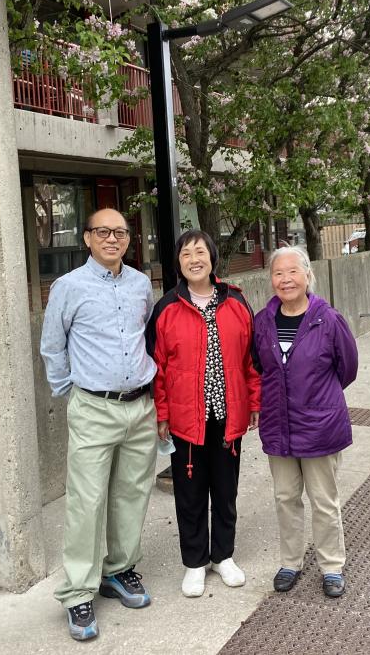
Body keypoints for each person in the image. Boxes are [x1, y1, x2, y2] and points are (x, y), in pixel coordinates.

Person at [40, 207, 158, 642]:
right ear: (87, 238)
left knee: (131, 493)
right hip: (93, 407)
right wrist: (71, 392)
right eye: (103, 231)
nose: (113, 238)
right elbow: (53, 347)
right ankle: (77, 592)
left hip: (140, 407)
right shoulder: (68, 287)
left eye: (121, 232)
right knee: (87, 502)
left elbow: (145, 335)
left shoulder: (140, 284)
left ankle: (119, 569)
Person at [146, 230, 261, 598]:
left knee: (225, 490)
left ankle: (223, 556)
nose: (194, 259)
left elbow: (251, 362)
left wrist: (254, 403)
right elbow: (157, 368)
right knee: (190, 493)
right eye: (186, 254)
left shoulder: (237, 303)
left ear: (212, 258)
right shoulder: (166, 308)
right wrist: (161, 414)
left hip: (228, 414)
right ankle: (194, 563)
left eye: (200, 252)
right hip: (185, 418)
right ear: (178, 263)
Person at [252, 246, 358, 598]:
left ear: (307, 275)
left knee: (324, 500)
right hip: (278, 424)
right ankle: (290, 562)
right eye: (278, 274)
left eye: (292, 272)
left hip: (320, 426)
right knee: (285, 497)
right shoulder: (263, 321)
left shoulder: (328, 319)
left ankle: (331, 566)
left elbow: (348, 368)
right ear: (271, 280)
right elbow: (260, 367)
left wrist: (318, 397)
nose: (285, 279)